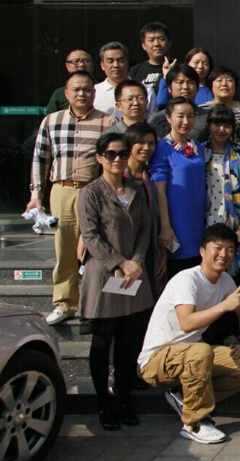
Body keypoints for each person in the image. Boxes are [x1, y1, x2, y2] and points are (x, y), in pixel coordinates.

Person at [137, 224, 240, 444]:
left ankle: (185, 397)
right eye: (217, 248)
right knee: (201, 351)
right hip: (156, 359)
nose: (223, 254)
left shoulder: (225, 280)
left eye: (230, 249)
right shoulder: (187, 279)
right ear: (202, 251)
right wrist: (223, 307)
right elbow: (187, 323)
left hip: (193, 354)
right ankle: (195, 422)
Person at [78, 132, 154, 429]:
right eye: (110, 154)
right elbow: (90, 236)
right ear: (99, 157)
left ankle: (123, 398)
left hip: (134, 274)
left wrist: (136, 261)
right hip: (105, 274)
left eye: (122, 153)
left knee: (129, 341)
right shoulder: (91, 193)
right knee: (103, 341)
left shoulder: (135, 189)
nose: (117, 159)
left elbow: (145, 229)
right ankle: (103, 404)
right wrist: (120, 263)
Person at [28, 71, 116, 325]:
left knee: (97, 245)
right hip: (62, 189)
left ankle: (97, 302)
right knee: (64, 247)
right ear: (66, 94)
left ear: (94, 93)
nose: (81, 94)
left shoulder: (107, 121)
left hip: (95, 190)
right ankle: (65, 303)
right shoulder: (51, 121)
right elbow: (41, 159)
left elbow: (113, 159)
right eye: (76, 89)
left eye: (86, 89)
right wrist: (36, 194)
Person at [151, 97, 206, 279]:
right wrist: (166, 226)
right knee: (178, 275)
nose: (186, 121)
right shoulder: (161, 148)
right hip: (176, 221)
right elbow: (160, 190)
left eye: (190, 116)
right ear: (168, 118)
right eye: (180, 116)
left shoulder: (196, 146)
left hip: (197, 220)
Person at [204, 105, 240, 281]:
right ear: (208, 125)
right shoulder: (200, 153)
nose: (221, 130)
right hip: (208, 226)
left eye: (226, 126)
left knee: (237, 280)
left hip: (239, 227)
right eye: (217, 124)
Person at [124, 123, 161, 296]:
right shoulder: (118, 175)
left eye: (151, 143)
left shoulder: (151, 176)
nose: (146, 147)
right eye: (140, 142)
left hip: (148, 246)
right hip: (124, 248)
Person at [149, 64, 210, 142]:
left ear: (197, 88)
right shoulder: (156, 118)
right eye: (180, 82)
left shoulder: (207, 118)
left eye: (191, 82)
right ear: (169, 88)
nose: (185, 87)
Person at [129, 22, 172, 112]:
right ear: (144, 45)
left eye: (161, 39)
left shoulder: (178, 68)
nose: (156, 44)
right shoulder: (135, 71)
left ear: (169, 43)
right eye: (151, 40)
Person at [47, 49, 93, 113]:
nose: (81, 64)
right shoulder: (59, 94)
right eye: (76, 61)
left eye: (86, 61)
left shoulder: (102, 89)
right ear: (67, 66)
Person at [93, 42, 130, 117]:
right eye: (110, 61)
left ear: (127, 63)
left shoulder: (145, 90)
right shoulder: (94, 92)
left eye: (120, 60)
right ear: (102, 65)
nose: (116, 65)